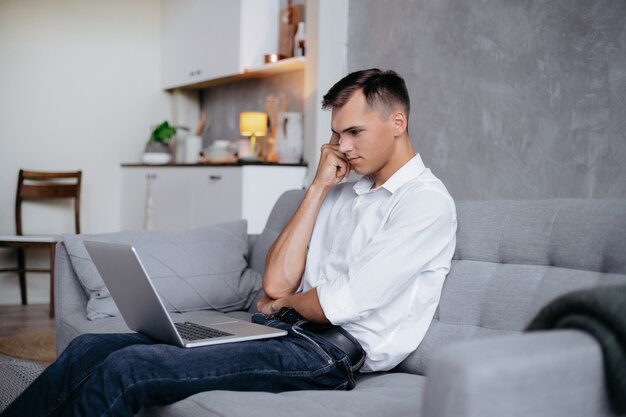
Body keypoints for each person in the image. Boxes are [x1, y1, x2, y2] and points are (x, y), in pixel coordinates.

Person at [1, 69, 456, 417]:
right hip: (280, 332)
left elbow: (342, 301)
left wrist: (283, 306)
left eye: (354, 132)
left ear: (398, 122)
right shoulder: (341, 188)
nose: (340, 146)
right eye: (336, 133)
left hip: (327, 354)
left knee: (131, 368)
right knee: (90, 349)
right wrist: (316, 189)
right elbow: (276, 281)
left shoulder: (425, 204)